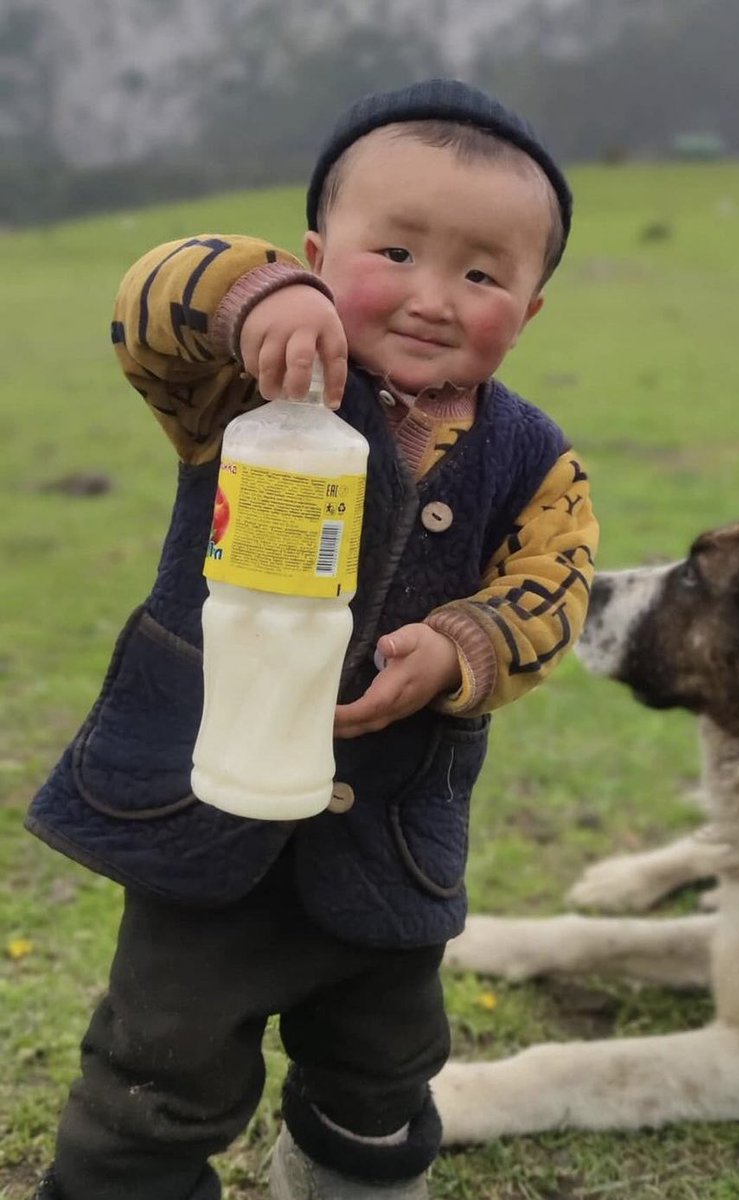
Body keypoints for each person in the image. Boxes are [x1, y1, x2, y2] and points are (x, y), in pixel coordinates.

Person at [26, 78, 598, 1200]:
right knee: (158, 1066)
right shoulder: (234, 387)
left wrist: (464, 646)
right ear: (315, 250)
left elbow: (554, 587)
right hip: (205, 828)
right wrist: (256, 299)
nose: (433, 297)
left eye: (482, 274)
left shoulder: (535, 458)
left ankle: (350, 1176)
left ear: (528, 310)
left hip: (386, 846)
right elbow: (153, 299)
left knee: (383, 1070)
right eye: (392, 251)